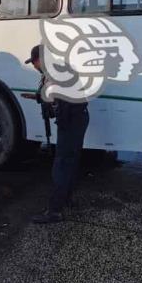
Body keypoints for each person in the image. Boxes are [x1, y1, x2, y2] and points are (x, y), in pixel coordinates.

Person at [24, 44, 90, 224]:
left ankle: (54, 211)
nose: (35, 67)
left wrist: (49, 105)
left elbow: (59, 96)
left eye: (34, 63)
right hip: (77, 120)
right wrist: (37, 97)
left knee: (61, 165)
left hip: (71, 123)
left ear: (40, 60)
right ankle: (66, 199)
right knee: (70, 162)